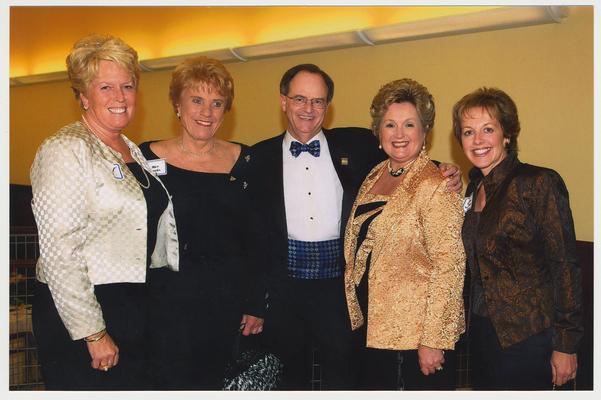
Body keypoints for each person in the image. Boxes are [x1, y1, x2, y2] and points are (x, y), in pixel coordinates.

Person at [250, 64, 463, 390]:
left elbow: (409, 159)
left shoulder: (354, 145)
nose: (309, 109)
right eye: (300, 99)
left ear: (328, 106)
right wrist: (254, 303)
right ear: (283, 102)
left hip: (340, 294)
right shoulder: (258, 157)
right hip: (284, 293)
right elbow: (250, 232)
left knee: (346, 380)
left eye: (318, 101)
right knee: (289, 381)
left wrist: (445, 171)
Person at [30, 34, 178, 390]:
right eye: (106, 87)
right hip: (86, 310)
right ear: (83, 95)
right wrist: (93, 333)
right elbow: (59, 253)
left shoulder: (130, 149)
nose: (119, 98)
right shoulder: (65, 149)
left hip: (134, 304)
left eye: (127, 86)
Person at [138, 56, 265, 390]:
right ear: (177, 105)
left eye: (217, 103)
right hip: (164, 305)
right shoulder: (144, 159)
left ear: (226, 111)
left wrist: (255, 303)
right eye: (196, 100)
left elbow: (257, 239)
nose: (206, 112)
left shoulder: (247, 160)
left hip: (226, 305)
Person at [452, 87, 583, 390]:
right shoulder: (474, 188)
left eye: (488, 129)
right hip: (481, 331)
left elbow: (565, 265)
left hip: (529, 335)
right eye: (468, 132)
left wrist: (566, 344)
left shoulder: (537, 183)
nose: (478, 140)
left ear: (507, 135)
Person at [343, 78, 466, 390]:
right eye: (390, 125)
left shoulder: (437, 183)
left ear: (425, 131)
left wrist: (433, 340)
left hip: (414, 339)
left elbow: (449, 265)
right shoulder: (373, 174)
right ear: (378, 131)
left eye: (409, 124)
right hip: (372, 329)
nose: (399, 135)